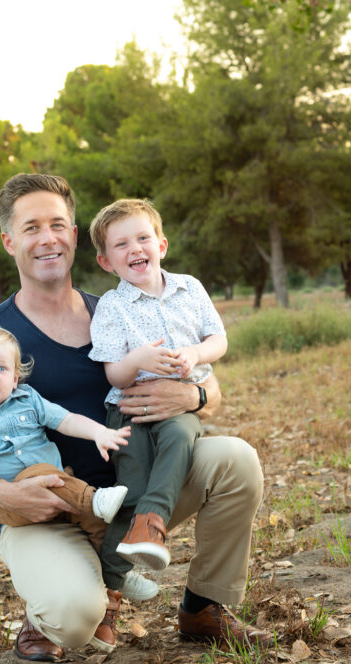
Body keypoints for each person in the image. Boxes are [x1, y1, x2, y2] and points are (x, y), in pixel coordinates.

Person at [0, 173, 270, 662]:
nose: (47, 238)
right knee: (76, 619)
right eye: (31, 227)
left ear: (75, 236)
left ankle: (204, 607)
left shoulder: (119, 312)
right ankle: (53, 604)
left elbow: (208, 384)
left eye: (58, 224)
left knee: (235, 459)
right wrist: (3, 493)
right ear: (9, 242)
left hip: (128, 493)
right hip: (43, 511)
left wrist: (195, 397)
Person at [87, 199, 226, 577]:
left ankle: (152, 523)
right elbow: (114, 374)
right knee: (130, 486)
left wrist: (195, 353)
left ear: (161, 245)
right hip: (128, 410)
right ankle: (113, 584)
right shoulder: (112, 307)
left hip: (178, 407)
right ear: (106, 262)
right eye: (121, 244)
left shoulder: (189, 289)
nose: (135, 248)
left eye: (143, 238)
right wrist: (138, 360)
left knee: (181, 434)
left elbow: (219, 339)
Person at [0, 322, 131, 558]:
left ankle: (116, 573)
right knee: (40, 472)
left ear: (14, 379)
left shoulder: (28, 400)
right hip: (14, 505)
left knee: (98, 523)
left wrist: (98, 432)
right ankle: (94, 498)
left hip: (62, 488)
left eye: (2, 369)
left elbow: (67, 420)